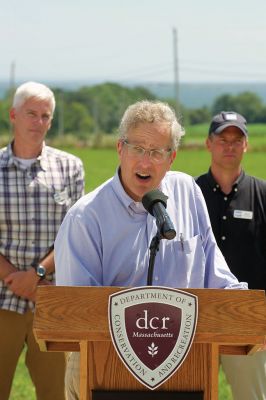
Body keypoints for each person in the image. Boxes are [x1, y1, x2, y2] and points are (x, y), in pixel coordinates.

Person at [55, 100, 247, 399]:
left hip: (185, 368)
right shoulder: (86, 217)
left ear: (172, 157)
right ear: (120, 149)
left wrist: (246, 312)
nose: (146, 162)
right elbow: (74, 311)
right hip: (103, 371)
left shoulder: (187, 193)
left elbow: (215, 273)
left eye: (157, 152)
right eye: (138, 149)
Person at [0, 81, 85, 400]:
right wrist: (14, 278)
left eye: (45, 116)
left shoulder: (70, 167)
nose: (38, 122)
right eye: (31, 114)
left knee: (56, 392)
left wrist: (35, 275)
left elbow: (73, 230)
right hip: (1, 297)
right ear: (13, 115)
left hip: (49, 297)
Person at [196, 111, 266, 400]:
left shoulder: (262, 194)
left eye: (237, 140)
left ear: (246, 145)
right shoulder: (190, 193)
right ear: (208, 144)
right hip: (195, 318)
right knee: (191, 393)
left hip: (247, 320)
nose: (229, 146)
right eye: (222, 139)